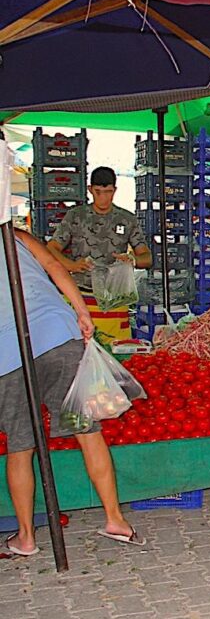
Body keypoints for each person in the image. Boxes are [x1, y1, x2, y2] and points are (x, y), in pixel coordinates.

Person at [2, 229, 144, 555]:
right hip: (57, 334)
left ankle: (26, 538)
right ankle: (116, 520)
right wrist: (82, 312)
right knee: (87, 431)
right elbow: (53, 265)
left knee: (20, 447)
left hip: (8, 354)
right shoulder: (13, 234)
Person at [47, 166, 152, 341]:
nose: (103, 198)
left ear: (115, 190)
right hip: (79, 297)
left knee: (116, 354)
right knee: (77, 350)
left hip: (114, 300)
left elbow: (146, 258)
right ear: (90, 190)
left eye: (108, 192)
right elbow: (51, 248)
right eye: (98, 192)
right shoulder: (76, 216)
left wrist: (132, 259)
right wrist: (71, 265)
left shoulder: (126, 219)